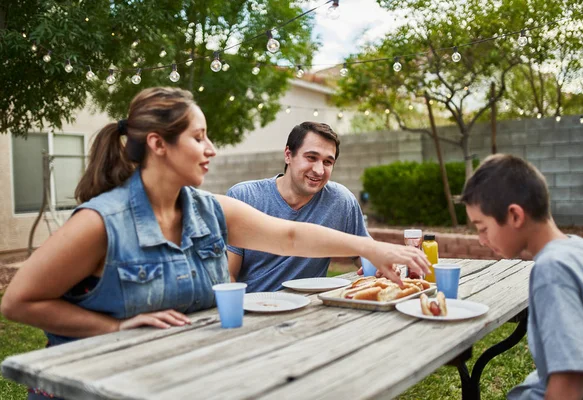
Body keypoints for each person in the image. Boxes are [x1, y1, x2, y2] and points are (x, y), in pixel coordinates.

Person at [1, 87, 429, 399]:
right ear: (158, 145)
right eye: (199, 137)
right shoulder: (100, 223)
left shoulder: (211, 210)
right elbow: (18, 302)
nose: (212, 149)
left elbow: (292, 234)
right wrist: (112, 328)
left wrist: (371, 248)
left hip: (167, 384)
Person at [461, 154, 583, 400]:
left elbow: (569, 382)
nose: (482, 240)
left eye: (483, 228)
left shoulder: (552, 270)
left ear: (515, 216)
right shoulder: (582, 249)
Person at [226, 121, 368, 292]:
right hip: (253, 308)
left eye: (327, 162)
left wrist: (380, 264)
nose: (319, 170)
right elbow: (227, 276)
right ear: (288, 155)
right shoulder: (244, 197)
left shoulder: (341, 201)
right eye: (311, 157)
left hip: (311, 309)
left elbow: (365, 254)